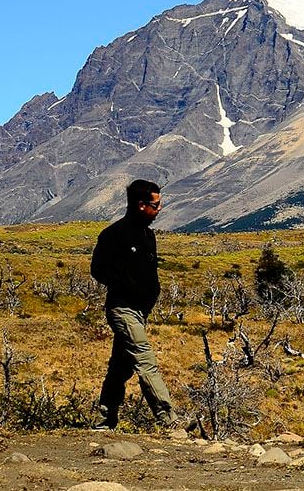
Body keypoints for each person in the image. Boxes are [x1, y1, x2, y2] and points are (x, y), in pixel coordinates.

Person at [90, 179, 179, 430]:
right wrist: (126, 286)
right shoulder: (114, 234)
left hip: (140, 310)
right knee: (145, 359)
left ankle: (105, 419)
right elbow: (98, 269)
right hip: (122, 308)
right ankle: (168, 419)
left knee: (121, 366)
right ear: (141, 205)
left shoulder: (147, 234)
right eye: (156, 204)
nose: (160, 209)